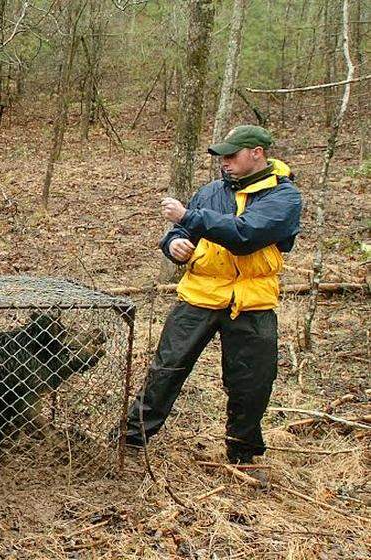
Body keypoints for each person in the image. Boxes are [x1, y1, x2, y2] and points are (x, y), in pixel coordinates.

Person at [118, 125, 302, 472]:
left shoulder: (284, 197)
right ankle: (129, 439)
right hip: (200, 293)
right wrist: (174, 244)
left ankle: (243, 455)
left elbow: (246, 235)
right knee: (166, 370)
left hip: (253, 301)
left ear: (257, 153)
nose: (224, 162)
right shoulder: (211, 192)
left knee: (252, 382)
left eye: (232, 155)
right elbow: (180, 233)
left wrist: (189, 216)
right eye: (221, 156)